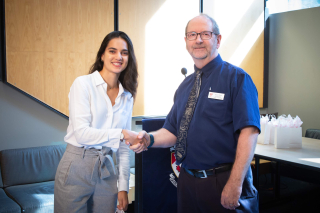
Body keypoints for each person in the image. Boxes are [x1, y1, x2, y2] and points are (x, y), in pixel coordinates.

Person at [129, 14, 260, 213]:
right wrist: (149, 139)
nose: (198, 39)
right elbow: (173, 132)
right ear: (186, 41)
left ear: (218, 39)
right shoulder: (185, 86)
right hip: (187, 183)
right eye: (192, 34)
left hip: (223, 180)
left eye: (205, 34)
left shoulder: (237, 79)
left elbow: (249, 132)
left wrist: (235, 183)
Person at [54, 31, 144, 213]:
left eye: (124, 53)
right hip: (76, 167)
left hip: (107, 170)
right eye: (112, 51)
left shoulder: (127, 96)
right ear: (102, 55)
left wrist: (123, 187)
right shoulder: (83, 84)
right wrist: (121, 134)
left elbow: (125, 147)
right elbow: (82, 133)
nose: (118, 57)